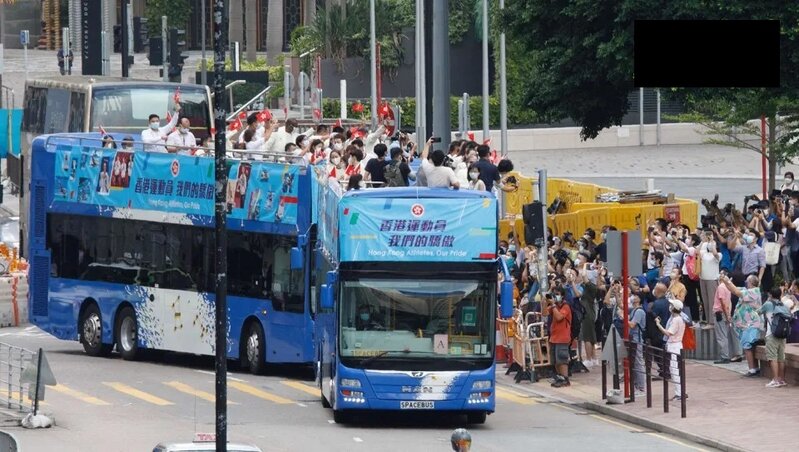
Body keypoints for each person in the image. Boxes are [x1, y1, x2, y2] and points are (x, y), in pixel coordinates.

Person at [720, 274, 763, 377]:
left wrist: (727, 281)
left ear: (752, 283)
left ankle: (752, 369)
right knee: (749, 346)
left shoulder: (754, 292)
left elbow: (736, 292)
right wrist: (725, 281)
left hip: (751, 324)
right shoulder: (747, 290)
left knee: (748, 345)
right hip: (746, 324)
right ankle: (754, 368)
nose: (746, 282)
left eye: (748, 281)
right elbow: (732, 289)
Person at [760, 288, 793, 388]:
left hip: (772, 334)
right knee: (781, 358)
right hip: (783, 335)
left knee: (772, 358)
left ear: (770, 294)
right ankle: (782, 379)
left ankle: (775, 380)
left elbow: (758, 312)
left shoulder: (768, 304)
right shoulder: (784, 305)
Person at [655, 298, 686, 401]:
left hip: (674, 345)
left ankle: (679, 393)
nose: (670, 306)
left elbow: (668, 333)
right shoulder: (678, 318)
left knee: (674, 370)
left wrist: (658, 324)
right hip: (676, 345)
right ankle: (680, 392)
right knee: (675, 370)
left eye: (672, 305)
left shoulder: (676, 319)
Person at [713, 271, 743, 364]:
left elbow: (722, 301)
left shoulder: (721, 287)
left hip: (719, 312)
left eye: (722, 274)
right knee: (726, 334)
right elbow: (728, 302)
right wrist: (728, 314)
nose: (720, 276)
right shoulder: (728, 287)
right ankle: (732, 354)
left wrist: (726, 314)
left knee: (721, 335)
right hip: (725, 312)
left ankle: (724, 356)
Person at [547, 287, 572, 388]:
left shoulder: (566, 307)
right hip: (554, 337)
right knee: (556, 360)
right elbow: (544, 313)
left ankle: (565, 379)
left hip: (563, 337)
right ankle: (559, 377)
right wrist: (546, 301)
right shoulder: (555, 306)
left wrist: (553, 305)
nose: (555, 296)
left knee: (562, 359)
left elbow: (559, 317)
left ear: (562, 295)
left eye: (557, 294)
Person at [623, 293, 647, 397]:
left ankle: (641, 388)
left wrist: (624, 319)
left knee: (638, 363)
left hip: (637, 340)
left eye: (635, 296)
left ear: (639, 299)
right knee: (634, 363)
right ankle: (637, 385)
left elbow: (632, 324)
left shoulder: (639, 311)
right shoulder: (633, 310)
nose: (632, 297)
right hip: (633, 339)